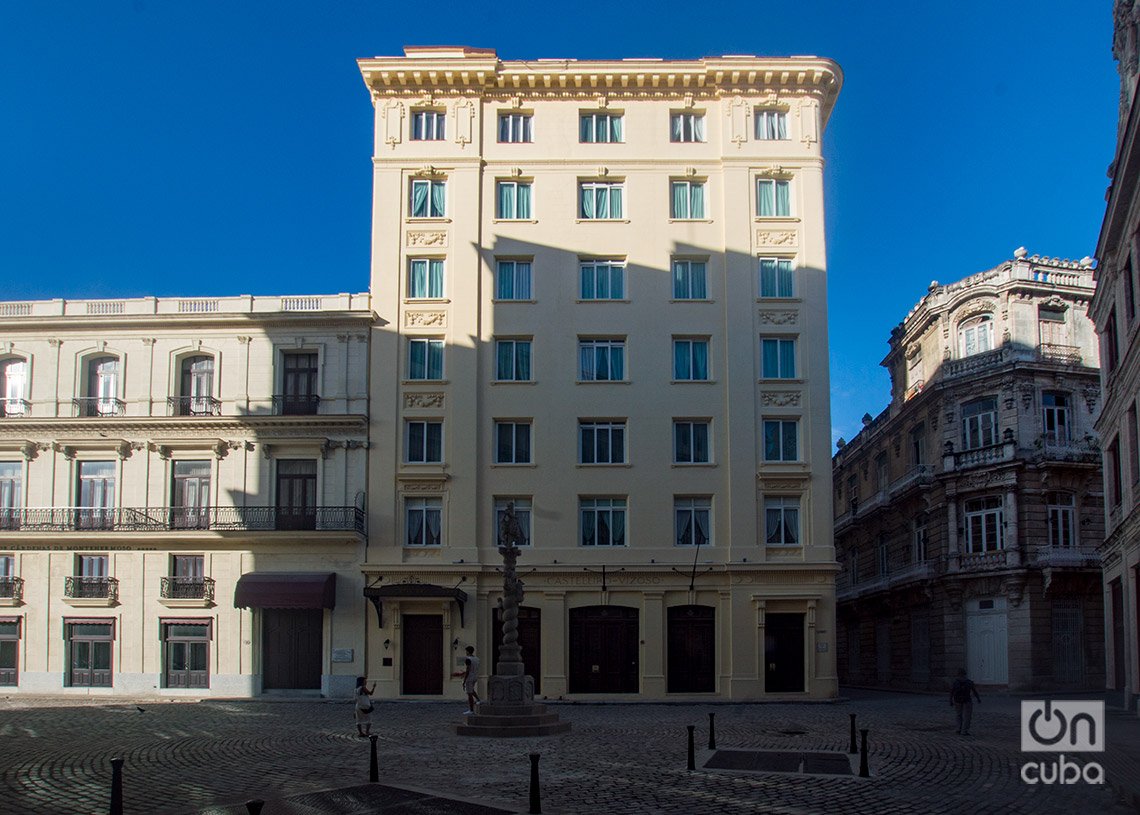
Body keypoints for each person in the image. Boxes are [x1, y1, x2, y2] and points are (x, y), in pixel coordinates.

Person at [949, 667, 982, 736]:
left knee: (958, 715)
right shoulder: (969, 682)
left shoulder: (955, 682)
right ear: (965, 674)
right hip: (967, 700)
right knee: (967, 716)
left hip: (957, 700)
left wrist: (950, 700)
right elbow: (974, 691)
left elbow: (951, 692)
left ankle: (958, 729)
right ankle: (964, 731)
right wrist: (978, 699)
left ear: (958, 674)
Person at [452, 645, 480, 714]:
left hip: (469, 677)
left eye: (466, 651)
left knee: (469, 693)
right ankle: (478, 700)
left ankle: (471, 710)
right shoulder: (477, 659)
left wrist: (464, 680)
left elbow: (468, 670)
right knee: (471, 689)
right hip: (475, 676)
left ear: (467, 651)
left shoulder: (468, 659)